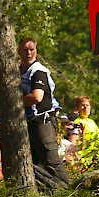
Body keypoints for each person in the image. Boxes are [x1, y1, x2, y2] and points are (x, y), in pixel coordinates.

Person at [19, 38, 70, 186]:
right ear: (18, 51)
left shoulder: (38, 71)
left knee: (51, 160)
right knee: (33, 163)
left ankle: (69, 189)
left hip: (42, 120)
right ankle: (48, 192)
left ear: (36, 51)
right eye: (25, 50)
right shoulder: (17, 71)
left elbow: (37, 97)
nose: (28, 53)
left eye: (31, 50)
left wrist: (11, 104)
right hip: (27, 122)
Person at [71, 95, 99, 168]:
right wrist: (78, 160)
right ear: (77, 108)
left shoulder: (91, 121)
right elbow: (72, 143)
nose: (85, 107)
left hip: (98, 157)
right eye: (83, 105)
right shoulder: (77, 123)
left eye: (87, 105)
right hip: (85, 159)